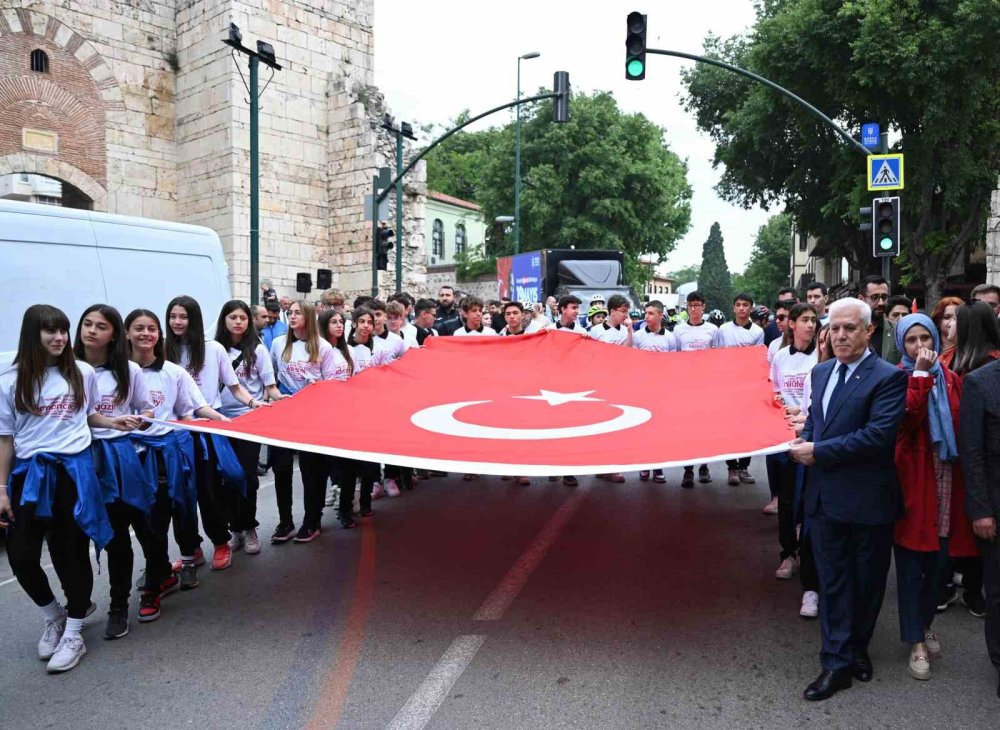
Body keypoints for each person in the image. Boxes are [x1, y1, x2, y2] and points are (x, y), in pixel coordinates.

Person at [0, 305, 131, 672]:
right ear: (32, 334)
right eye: (50, 332)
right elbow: (5, 439)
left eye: (62, 331)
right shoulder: (9, 381)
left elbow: (85, 415)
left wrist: (113, 421)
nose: (59, 339)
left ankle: (74, 630)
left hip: (75, 471)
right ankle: (53, 615)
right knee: (22, 555)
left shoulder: (82, 372)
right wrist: (1, 489)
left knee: (71, 551)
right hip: (30, 475)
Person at [789, 298, 907, 701]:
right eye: (833, 328)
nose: (839, 335)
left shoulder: (889, 377)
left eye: (849, 328)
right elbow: (821, 424)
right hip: (824, 500)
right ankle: (835, 662)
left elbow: (877, 437)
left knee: (868, 583)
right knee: (834, 582)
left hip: (868, 501)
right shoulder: (820, 372)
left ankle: (858, 648)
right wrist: (803, 437)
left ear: (868, 331)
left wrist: (818, 451)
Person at [891, 313, 976, 681]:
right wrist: (921, 377)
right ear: (900, 345)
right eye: (911, 340)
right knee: (911, 568)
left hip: (947, 485)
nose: (920, 346)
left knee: (940, 568)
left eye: (925, 337)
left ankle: (924, 625)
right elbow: (906, 420)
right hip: (913, 485)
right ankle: (916, 641)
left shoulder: (954, 380)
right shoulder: (895, 378)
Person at [74, 305, 155, 641]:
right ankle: (76, 606)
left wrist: (140, 420)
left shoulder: (129, 370)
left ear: (114, 334)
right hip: (78, 462)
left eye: (101, 326)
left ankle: (119, 605)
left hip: (122, 459)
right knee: (79, 536)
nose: (92, 330)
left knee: (123, 532)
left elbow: (147, 407)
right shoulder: (67, 371)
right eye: (87, 324)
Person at [165, 295, 255, 572]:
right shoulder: (164, 350)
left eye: (184, 316)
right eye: (173, 317)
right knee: (179, 496)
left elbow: (235, 386)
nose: (178, 322)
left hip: (208, 428)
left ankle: (220, 542)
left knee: (210, 491)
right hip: (176, 432)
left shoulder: (213, 349)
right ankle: (190, 549)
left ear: (195, 320)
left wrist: (254, 403)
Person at [215, 300, 282, 559]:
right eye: (232, 317)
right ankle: (235, 528)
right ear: (224, 320)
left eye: (242, 317)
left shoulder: (258, 350)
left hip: (248, 421)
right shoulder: (214, 350)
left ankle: (249, 526)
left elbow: (270, 387)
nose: (238, 322)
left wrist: (281, 400)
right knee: (226, 479)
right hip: (219, 422)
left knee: (247, 477)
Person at [270, 300, 338, 544]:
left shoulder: (323, 347)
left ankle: (312, 519)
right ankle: (285, 520)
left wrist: (315, 389)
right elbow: (273, 379)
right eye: (290, 312)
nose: (293, 316)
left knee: (312, 470)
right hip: (284, 415)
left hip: (314, 416)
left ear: (309, 317)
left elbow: (332, 385)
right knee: (281, 467)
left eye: (298, 312)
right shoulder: (278, 344)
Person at [769, 304, 820, 623]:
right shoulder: (780, 356)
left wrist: (804, 418)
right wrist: (781, 411)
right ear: (791, 325)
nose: (811, 325)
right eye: (805, 320)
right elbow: (773, 390)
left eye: (814, 320)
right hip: (782, 436)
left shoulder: (821, 357)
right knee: (786, 499)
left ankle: (809, 560)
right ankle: (788, 553)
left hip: (811, 434)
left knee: (809, 501)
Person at [958, 354, 1000, 699]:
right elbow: (971, 453)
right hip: (995, 507)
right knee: (998, 591)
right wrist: (980, 510)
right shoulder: (981, 382)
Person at [716, 293, 765, 486]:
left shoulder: (758, 331)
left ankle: (744, 467)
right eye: (738, 305)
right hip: (728, 385)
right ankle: (732, 468)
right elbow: (718, 356)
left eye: (745, 305)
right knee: (729, 429)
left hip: (748, 386)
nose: (742, 308)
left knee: (748, 429)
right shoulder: (724, 330)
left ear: (751, 308)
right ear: (733, 308)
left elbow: (758, 359)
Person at [673, 291, 718, 488]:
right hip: (685, 386)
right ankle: (688, 469)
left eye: (697, 305)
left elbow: (717, 356)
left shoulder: (713, 330)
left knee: (705, 428)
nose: (693, 309)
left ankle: (704, 466)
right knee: (687, 429)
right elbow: (674, 357)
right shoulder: (678, 330)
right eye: (690, 305)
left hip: (706, 386)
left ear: (703, 307)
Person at [634, 301, 679, 484]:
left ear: (660, 315)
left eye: (651, 313)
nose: (646, 316)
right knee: (643, 429)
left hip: (662, 390)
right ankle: (644, 465)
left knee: (659, 430)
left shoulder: (670, 338)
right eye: (646, 313)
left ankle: (659, 468)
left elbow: (673, 364)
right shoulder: (637, 336)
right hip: (642, 389)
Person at [858, 275, 901, 364]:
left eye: (884, 297)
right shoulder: (850, 330)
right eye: (874, 297)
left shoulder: (897, 330)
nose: (881, 303)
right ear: (861, 299)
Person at [931, 296, 963, 368]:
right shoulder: (930, 346)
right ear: (938, 321)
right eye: (947, 317)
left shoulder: (970, 348)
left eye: (958, 317)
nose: (953, 322)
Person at [765, 300, 795, 365]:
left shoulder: (806, 343)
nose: (777, 321)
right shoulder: (774, 345)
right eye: (776, 317)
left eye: (781, 317)